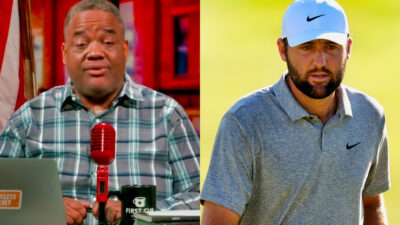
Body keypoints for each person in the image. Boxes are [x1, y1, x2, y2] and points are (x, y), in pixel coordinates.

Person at [0, 0, 200, 224]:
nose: (95, 52)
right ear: (65, 53)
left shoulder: (167, 115)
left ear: (125, 49)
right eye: (81, 43)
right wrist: (41, 208)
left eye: (107, 42)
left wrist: (139, 212)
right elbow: (3, 195)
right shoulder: (29, 118)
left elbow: (200, 196)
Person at [201, 0, 390, 224]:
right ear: (283, 50)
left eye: (331, 46)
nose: (320, 61)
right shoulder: (244, 122)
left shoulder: (370, 115)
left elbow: (372, 203)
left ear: (347, 48)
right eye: (306, 47)